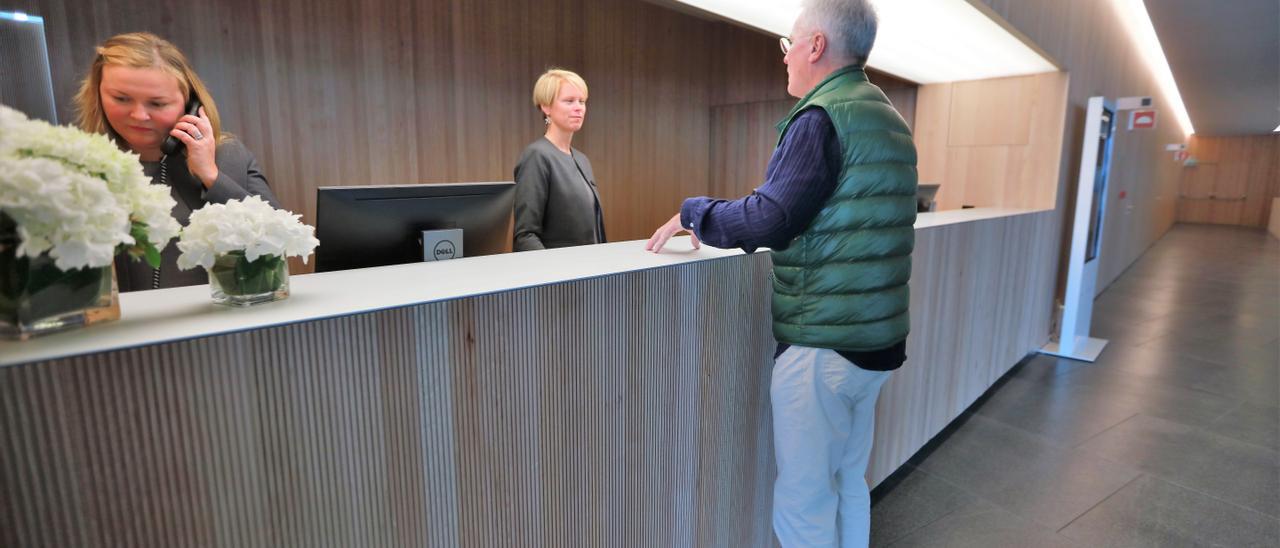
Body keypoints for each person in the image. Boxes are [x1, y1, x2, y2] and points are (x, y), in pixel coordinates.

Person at [645, 1, 916, 546]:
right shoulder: (888, 117)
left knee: (803, 500)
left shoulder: (821, 117)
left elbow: (769, 217)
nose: (785, 56)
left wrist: (692, 210)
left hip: (824, 342)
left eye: (789, 43)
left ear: (816, 46)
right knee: (847, 482)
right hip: (876, 342)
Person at [76, 32, 282, 291]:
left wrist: (211, 176)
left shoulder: (228, 155)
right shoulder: (79, 165)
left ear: (190, 105)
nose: (139, 115)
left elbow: (281, 240)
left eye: (157, 103)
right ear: (98, 94)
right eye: (121, 98)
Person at [512, 69, 606, 251]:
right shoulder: (536, 156)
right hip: (560, 275)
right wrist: (555, 275)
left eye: (582, 101)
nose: (579, 107)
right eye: (569, 101)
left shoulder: (582, 160)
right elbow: (526, 235)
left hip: (590, 272)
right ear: (546, 107)